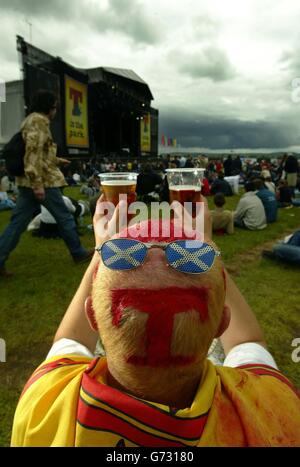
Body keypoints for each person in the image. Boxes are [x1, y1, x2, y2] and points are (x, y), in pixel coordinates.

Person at [11, 197, 300, 446]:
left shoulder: (46, 405)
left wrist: (103, 248)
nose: (156, 250)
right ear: (221, 323)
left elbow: (69, 340)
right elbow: (247, 341)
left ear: (93, 317)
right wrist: (207, 246)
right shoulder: (273, 412)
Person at [0, 90, 93, 277]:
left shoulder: (30, 120)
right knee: (65, 217)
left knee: (17, 223)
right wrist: (37, 184)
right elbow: (32, 154)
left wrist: (58, 160)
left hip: (30, 183)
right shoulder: (39, 121)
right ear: (49, 107)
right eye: (55, 107)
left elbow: (39, 153)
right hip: (41, 183)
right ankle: (78, 253)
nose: (56, 110)